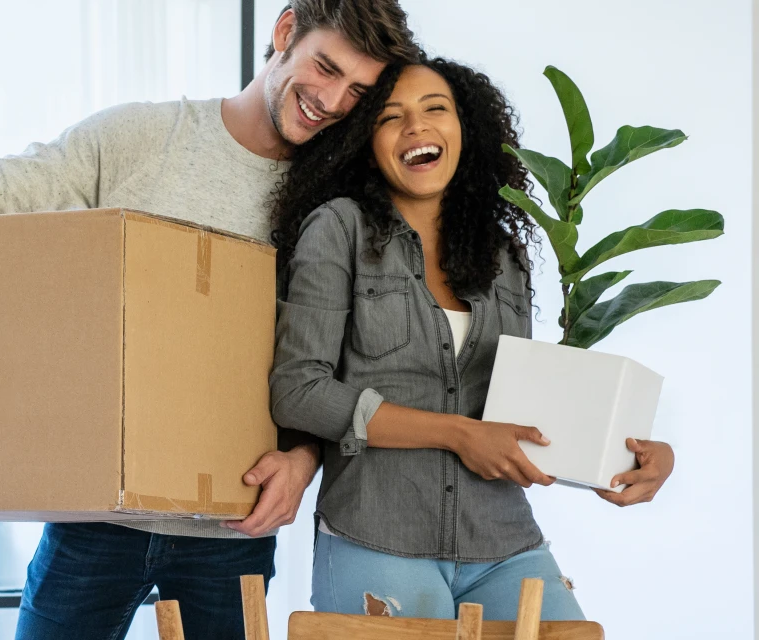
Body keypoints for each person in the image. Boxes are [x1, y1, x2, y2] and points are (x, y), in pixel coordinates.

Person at [0, 2, 417, 637]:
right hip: (93, 519)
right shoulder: (144, 138)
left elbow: (336, 355)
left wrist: (306, 458)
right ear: (285, 32)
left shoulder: (336, 202)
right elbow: (7, 185)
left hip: (232, 527)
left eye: (357, 92)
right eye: (325, 68)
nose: (333, 101)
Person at [267, 57, 677, 622]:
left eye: (436, 109)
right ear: (366, 141)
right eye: (392, 117)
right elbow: (299, 389)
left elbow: (524, 420)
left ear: (467, 129)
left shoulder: (505, 256)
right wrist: (459, 434)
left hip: (503, 542)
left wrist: (629, 460)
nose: (416, 127)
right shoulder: (339, 228)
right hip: (380, 534)